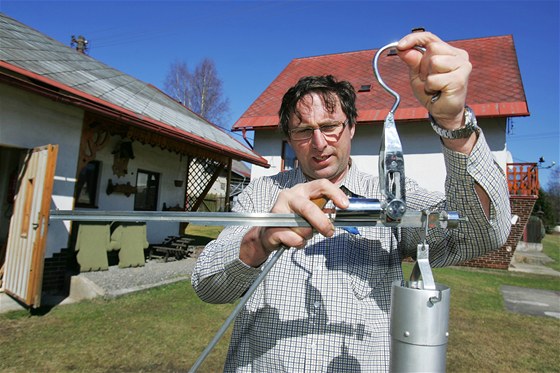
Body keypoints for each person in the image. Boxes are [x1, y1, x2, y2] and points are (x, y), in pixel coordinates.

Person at [192, 31, 511, 372]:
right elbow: (207, 286)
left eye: (331, 126)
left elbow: (483, 233)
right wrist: (260, 239)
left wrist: (454, 124)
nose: (319, 143)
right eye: (303, 131)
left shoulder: (391, 197)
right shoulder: (260, 195)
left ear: (352, 127)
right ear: (288, 137)